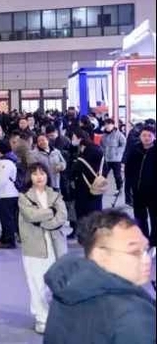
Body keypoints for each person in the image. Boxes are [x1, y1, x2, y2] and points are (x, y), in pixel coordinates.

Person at [44, 209, 156, 344]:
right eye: (134, 251)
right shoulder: (133, 314)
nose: (146, 259)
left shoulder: (66, 290)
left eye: (146, 249)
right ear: (101, 255)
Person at [18, 163, 68, 334]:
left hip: (56, 246)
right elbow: (31, 215)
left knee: (57, 284)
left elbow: (62, 216)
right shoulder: (24, 197)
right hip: (34, 247)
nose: (39, 177)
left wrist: (44, 221)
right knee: (37, 285)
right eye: (35, 174)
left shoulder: (56, 195)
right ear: (29, 177)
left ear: (47, 175)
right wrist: (51, 212)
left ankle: (56, 316)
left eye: (42, 173)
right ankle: (41, 318)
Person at [124, 125, 155, 246]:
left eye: (149, 135)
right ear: (140, 136)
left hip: (154, 192)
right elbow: (128, 169)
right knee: (140, 217)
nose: (146, 138)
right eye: (144, 135)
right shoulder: (135, 150)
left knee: (155, 218)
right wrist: (130, 185)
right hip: (138, 190)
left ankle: (154, 241)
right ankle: (143, 238)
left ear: (154, 136)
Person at [70, 129, 105, 220]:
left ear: (80, 139)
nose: (72, 140)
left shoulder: (86, 154)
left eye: (73, 138)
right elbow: (105, 167)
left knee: (85, 214)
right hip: (96, 186)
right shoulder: (97, 149)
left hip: (85, 188)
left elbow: (75, 170)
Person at [0, 140, 19, 249]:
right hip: (7, 193)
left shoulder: (5, 162)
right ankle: (5, 237)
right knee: (5, 217)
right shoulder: (7, 161)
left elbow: (2, 180)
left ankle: (9, 240)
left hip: (7, 194)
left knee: (6, 218)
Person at [100, 118, 126, 196]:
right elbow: (101, 144)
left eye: (109, 124)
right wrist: (102, 151)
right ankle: (100, 188)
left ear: (113, 125)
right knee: (103, 175)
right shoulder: (103, 135)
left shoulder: (119, 134)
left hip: (116, 159)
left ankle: (119, 189)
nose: (107, 126)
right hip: (106, 158)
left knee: (117, 175)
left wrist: (118, 152)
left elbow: (124, 144)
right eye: (106, 124)